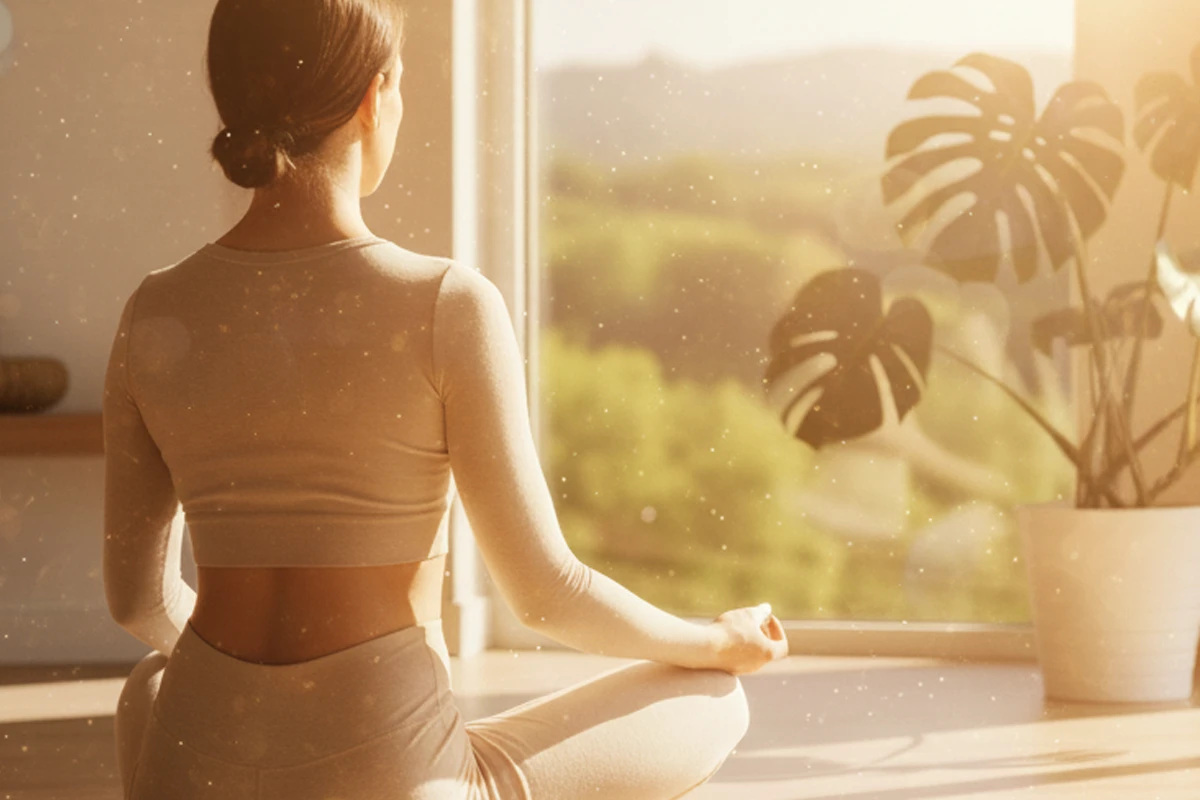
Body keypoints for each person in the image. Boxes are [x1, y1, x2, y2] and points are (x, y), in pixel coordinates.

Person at [102, 1, 789, 798]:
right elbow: (546, 595)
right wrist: (714, 640)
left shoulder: (153, 309)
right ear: (374, 94)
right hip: (385, 778)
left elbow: (139, 600)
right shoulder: (444, 301)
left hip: (196, 769)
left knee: (153, 684)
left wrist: (260, 691)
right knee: (710, 697)